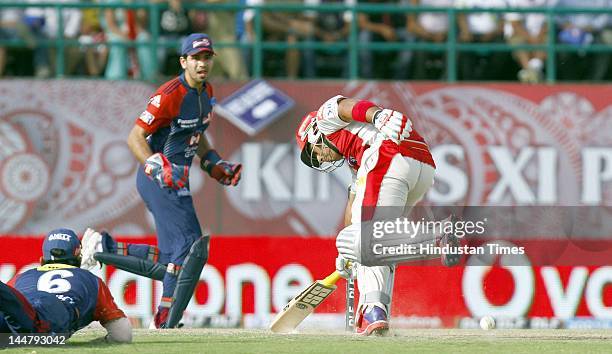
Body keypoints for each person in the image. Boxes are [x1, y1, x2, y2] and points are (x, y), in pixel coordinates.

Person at [81, 33, 242, 329]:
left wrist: (214, 163)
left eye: (206, 57)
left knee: (170, 261)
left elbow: (195, 135)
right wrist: (158, 167)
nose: (202, 63)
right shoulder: (170, 94)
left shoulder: (206, 93)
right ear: (183, 61)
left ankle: (102, 247)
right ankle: (166, 321)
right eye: (195, 58)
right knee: (192, 247)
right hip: (159, 180)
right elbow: (135, 138)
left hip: (178, 181)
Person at [295, 96, 458, 336]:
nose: (319, 158)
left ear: (314, 135)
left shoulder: (324, 123)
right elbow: (352, 214)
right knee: (375, 241)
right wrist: (349, 254)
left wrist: (377, 116)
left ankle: (434, 238)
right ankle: (375, 313)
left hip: (388, 158)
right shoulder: (355, 157)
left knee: (365, 240)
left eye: (314, 152)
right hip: (422, 167)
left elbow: (344, 106)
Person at [0, 228, 131, 343]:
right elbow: (122, 334)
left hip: (20, 315)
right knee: (31, 321)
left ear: (41, 260)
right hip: (46, 314)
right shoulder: (92, 280)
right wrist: (96, 344)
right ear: (78, 257)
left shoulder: (21, 277)